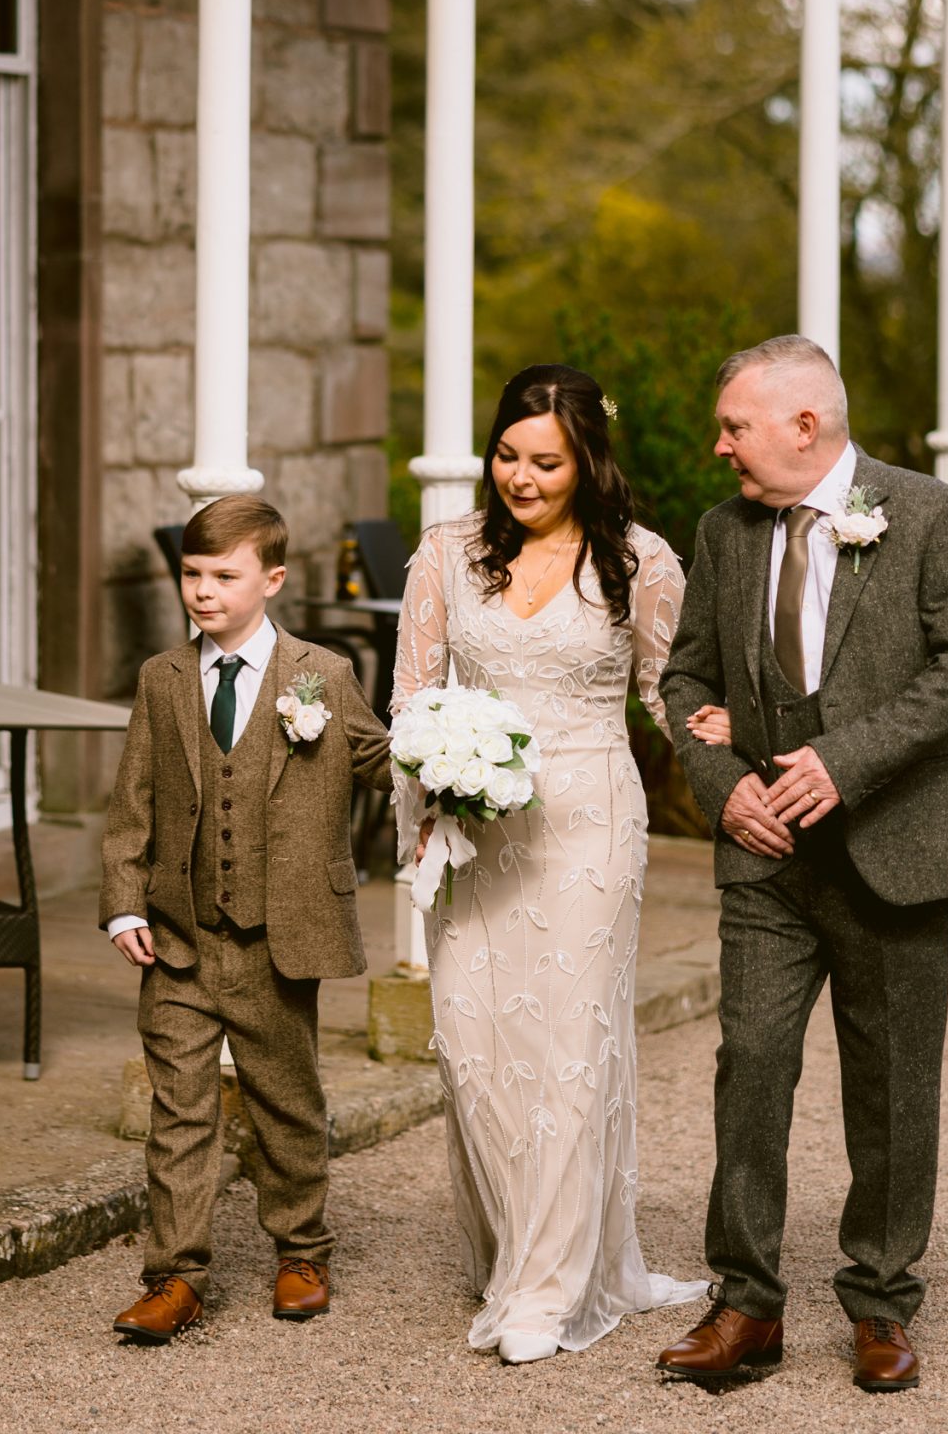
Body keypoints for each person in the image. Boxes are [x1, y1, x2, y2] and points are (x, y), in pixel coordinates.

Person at [656, 336, 948, 1394]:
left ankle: (883, 1298)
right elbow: (684, 679)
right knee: (750, 1065)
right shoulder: (723, 532)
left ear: (804, 425)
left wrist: (842, 761)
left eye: (734, 425)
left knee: (895, 1084)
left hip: (894, 846)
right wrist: (723, 786)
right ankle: (747, 1301)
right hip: (766, 855)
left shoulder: (934, 513)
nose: (719, 445)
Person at [394, 364, 709, 1365]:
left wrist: (734, 766)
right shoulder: (447, 552)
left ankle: (546, 1286)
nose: (520, 477)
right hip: (474, 831)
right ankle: (524, 1246)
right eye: (507, 455)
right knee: (475, 1040)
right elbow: (413, 693)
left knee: (572, 1041)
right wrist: (421, 794)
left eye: (546, 461)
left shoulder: (641, 560)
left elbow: (670, 693)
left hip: (588, 820)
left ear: (585, 460)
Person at [100, 494, 392, 1343]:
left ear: (271, 578)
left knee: (284, 1103)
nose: (201, 591)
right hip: (179, 938)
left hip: (278, 935)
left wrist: (450, 751)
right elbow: (132, 805)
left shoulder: (322, 676)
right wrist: (123, 904)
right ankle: (175, 1276)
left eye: (222, 576)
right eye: (190, 574)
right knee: (179, 1111)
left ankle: (302, 1250)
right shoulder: (162, 680)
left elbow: (377, 757)